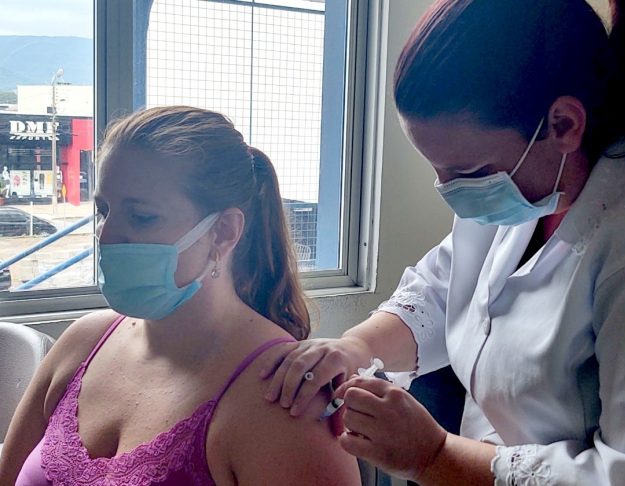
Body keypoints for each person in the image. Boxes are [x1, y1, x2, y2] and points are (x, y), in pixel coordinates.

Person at [259, 0, 625, 484]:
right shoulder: (536, 157)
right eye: (439, 170)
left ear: (564, 125)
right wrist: (354, 348)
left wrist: (433, 456)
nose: (449, 191)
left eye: (468, 173)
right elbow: (449, 285)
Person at [0, 106, 361, 486]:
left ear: (223, 232)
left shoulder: (282, 397)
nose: (106, 237)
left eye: (141, 217)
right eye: (104, 211)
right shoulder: (82, 343)